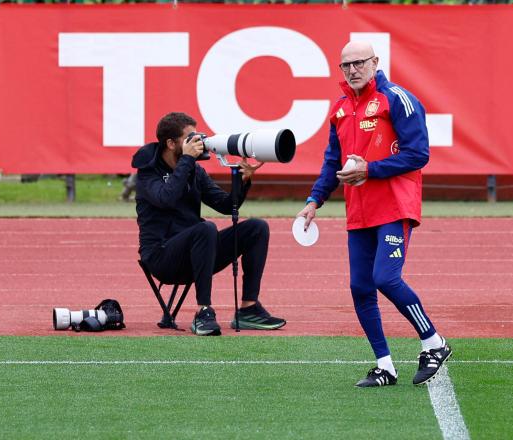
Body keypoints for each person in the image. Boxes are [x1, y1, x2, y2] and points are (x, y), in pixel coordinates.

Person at [297, 41, 451, 387]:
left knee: (386, 278)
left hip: (395, 205)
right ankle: (385, 366)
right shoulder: (339, 109)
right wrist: (314, 200)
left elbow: (419, 154)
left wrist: (370, 170)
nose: (352, 70)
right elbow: (332, 162)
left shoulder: (397, 99)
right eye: (345, 65)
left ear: (375, 62)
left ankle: (433, 342)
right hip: (359, 211)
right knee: (360, 287)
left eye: (358, 63)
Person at [132, 112, 286, 336]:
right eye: (190, 138)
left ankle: (248, 309)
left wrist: (242, 181)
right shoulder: (147, 173)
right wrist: (186, 160)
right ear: (171, 143)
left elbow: (226, 205)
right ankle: (204, 311)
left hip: (197, 253)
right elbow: (166, 198)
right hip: (162, 257)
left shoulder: (194, 170)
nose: (198, 142)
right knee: (206, 228)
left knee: (256, 227)